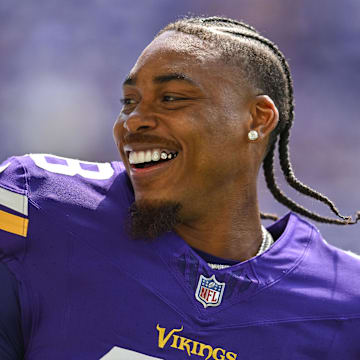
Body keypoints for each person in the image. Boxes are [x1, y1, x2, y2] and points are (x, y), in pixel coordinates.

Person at [0, 16, 359, 360]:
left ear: (257, 119)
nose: (134, 121)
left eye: (171, 98)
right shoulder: (40, 205)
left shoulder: (344, 301)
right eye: (129, 101)